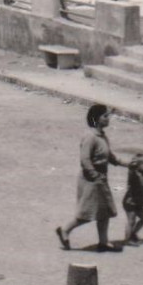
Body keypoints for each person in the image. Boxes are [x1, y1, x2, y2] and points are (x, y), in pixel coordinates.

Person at [55, 103, 125, 252]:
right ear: (97, 119)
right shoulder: (90, 137)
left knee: (104, 211)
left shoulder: (102, 136)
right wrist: (94, 175)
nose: (108, 119)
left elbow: (110, 157)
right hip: (90, 180)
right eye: (105, 116)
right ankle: (65, 230)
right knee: (86, 213)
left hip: (101, 179)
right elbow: (85, 160)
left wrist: (127, 164)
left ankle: (103, 242)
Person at [122, 153, 143, 244]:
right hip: (130, 202)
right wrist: (132, 166)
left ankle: (133, 233)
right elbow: (131, 170)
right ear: (138, 166)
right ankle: (127, 239)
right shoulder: (134, 175)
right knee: (131, 220)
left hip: (138, 203)